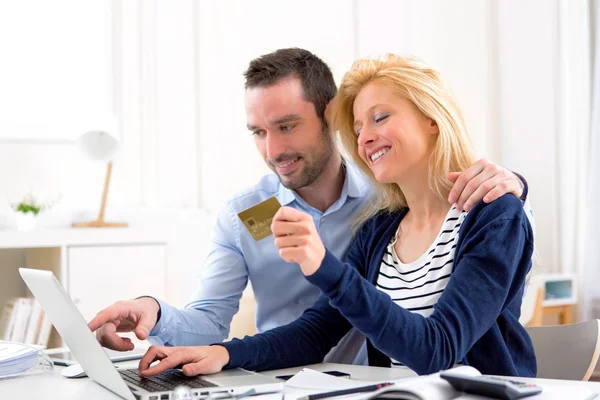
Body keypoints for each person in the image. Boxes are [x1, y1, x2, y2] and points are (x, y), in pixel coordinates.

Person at [88, 49, 533, 367]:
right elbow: (313, 331)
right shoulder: (379, 225)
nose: (273, 148)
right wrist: (206, 344)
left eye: (287, 126)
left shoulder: (390, 201)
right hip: (299, 380)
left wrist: (515, 186)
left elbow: (437, 346)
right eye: (258, 132)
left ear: (327, 117)